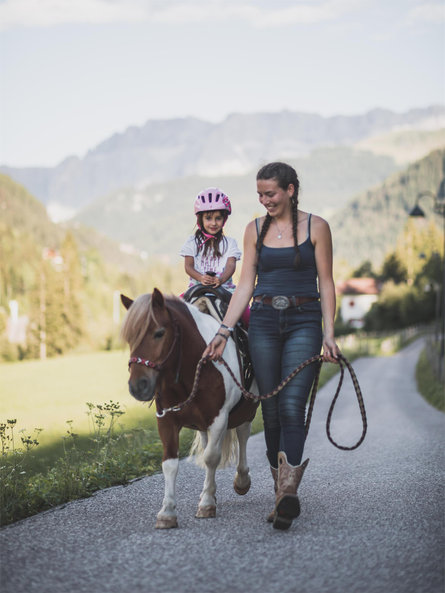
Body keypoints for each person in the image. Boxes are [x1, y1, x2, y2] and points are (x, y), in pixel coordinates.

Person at [203, 162, 340, 530]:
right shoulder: (254, 230)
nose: (264, 201)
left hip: (304, 321)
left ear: (291, 190)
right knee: (272, 408)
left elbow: (326, 283)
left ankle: (287, 494)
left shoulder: (317, 227)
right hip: (262, 321)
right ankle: (281, 492)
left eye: (271, 194)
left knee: (294, 405)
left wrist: (329, 332)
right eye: (260, 194)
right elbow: (245, 284)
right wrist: (223, 331)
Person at [180, 187, 241, 293]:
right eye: (208, 218)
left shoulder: (231, 243)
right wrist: (200, 278)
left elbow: (231, 265)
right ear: (200, 219)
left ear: (224, 219)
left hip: (225, 289)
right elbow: (188, 266)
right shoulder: (191, 242)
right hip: (196, 289)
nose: (213, 223)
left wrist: (221, 279)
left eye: (218, 218)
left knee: (245, 309)